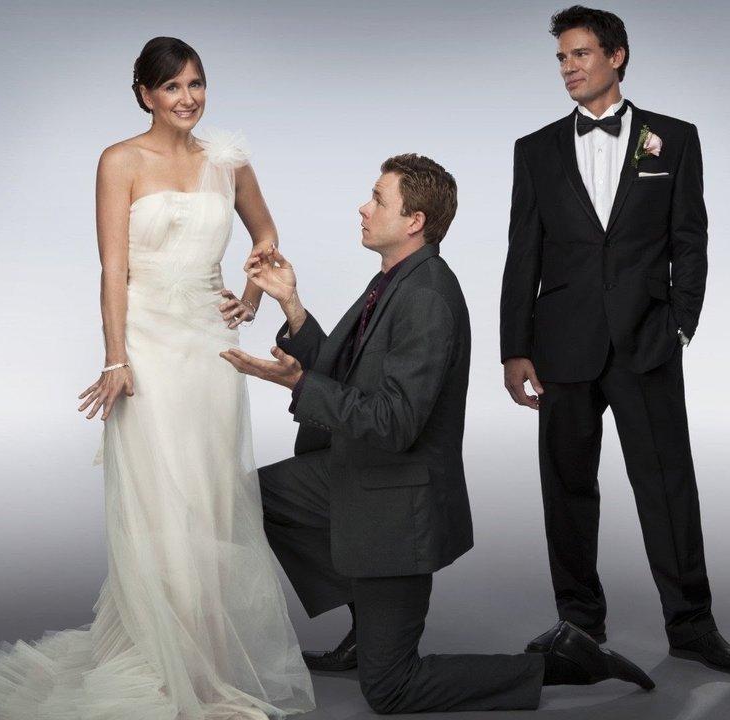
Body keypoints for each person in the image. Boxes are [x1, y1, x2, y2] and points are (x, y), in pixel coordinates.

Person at [0, 37, 315, 719]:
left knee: (213, 501)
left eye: (196, 83)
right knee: (163, 505)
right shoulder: (120, 160)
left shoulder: (227, 159)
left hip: (210, 350)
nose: (187, 98)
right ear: (144, 95)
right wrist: (116, 359)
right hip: (149, 348)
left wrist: (250, 299)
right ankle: (178, 670)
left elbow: (266, 232)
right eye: (172, 87)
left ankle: (210, 665)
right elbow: (114, 269)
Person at [221, 154, 653, 714]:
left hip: (396, 502)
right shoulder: (394, 280)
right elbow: (351, 374)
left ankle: (562, 662)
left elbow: (395, 421)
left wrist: (300, 384)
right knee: (252, 498)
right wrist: (292, 305)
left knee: (390, 689)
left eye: (378, 199)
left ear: (414, 221)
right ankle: (365, 623)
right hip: (359, 473)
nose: (363, 207)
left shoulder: (426, 296)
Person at [499, 6, 730, 674]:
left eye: (580, 54)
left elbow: (690, 239)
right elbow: (522, 253)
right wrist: (515, 348)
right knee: (566, 489)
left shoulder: (674, 138)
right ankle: (579, 625)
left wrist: (680, 322)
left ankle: (692, 626)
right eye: (561, 58)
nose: (568, 68)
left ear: (616, 56)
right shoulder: (535, 149)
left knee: (668, 486)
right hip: (562, 346)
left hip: (647, 341)